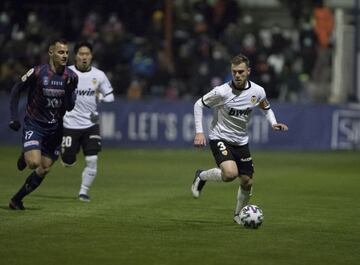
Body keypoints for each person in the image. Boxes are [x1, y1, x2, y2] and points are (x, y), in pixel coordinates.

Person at [191, 54, 288, 224]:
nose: (237, 75)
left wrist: (273, 123)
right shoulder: (222, 92)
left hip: (241, 141)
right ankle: (202, 176)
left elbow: (266, 108)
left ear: (248, 72)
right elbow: (198, 104)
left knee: (247, 181)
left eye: (241, 72)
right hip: (219, 137)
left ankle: (237, 215)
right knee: (230, 174)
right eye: (234, 72)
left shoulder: (257, 91)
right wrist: (200, 132)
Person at [8, 38, 78, 210]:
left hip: (55, 130)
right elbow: (17, 89)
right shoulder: (38, 72)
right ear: (51, 52)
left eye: (67, 53)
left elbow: (69, 107)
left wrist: (69, 91)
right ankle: (27, 151)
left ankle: (16, 200)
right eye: (61, 52)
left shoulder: (71, 77)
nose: (65, 56)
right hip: (35, 125)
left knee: (44, 168)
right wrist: (14, 117)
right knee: (33, 163)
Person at [61, 41, 114, 202]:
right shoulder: (66, 73)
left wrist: (100, 96)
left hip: (91, 124)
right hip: (70, 123)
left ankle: (83, 192)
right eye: (81, 54)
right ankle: (68, 155)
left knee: (92, 159)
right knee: (68, 161)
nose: (84, 57)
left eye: (87, 54)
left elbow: (110, 97)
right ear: (75, 56)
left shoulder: (99, 75)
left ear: (91, 57)